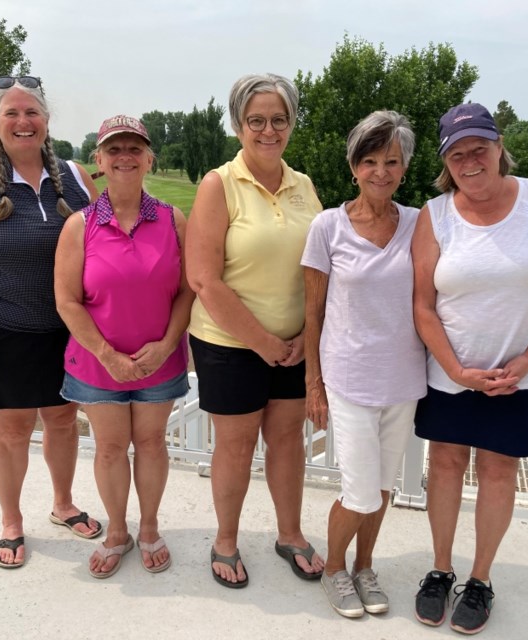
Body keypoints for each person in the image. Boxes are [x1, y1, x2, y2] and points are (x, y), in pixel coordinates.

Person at [411, 102, 528, 633]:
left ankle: (480, 580)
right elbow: (421, 304)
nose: (470, 162)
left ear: (498, 145)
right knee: (444, 466)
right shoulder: (434, 214)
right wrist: (456, 370)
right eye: (457, 154)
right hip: (450, 374)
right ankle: (440, 569)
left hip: (518, 376)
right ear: (446, 161)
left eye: (479, 149)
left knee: (498, 470)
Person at [0, 75, 102, 569]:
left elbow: (102, 247)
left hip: (65, 330)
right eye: (12, 113)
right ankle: (11, 520)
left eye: (32, 113)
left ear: (47, 122)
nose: (23, 122)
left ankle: (64, 504)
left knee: (64, 420)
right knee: (11, 430)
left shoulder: (74, 175)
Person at [186, 73, 325, 588]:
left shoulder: (304, 185)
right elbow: (203, 278)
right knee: (237, 445)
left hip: (294, 346)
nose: (269, 130)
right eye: (257, 121)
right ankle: (225, 540)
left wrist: (301, 340)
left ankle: (289, 533)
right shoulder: (218, 184)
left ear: (291, 124)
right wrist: (263, 342)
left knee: (288, 441)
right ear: (239, 126)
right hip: (230, 344)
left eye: (279, 120)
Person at [55, 115, 192, 579]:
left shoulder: (174, 220)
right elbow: (67, 302)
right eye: (114, 150)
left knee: (151, 443)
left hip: (160, 358)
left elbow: (188, 291)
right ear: (99, 160)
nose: (125, 157)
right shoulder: (79, 226)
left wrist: (167, 342)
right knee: (111, 448)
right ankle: (118, 531)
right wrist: (108, 355)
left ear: (149, 158)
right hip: (98, 365)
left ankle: (149, 528)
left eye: (135, 148)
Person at [302, 111, 426, 618]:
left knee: (381, 487)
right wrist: (313, 382)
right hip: (348, 379)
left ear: (404, 167)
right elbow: (312, 310)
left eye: (391, 161)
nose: (381, 171)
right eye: (370, 160)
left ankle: (364, 566)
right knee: (358, 491)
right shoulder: (327, 227)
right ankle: (335, 568)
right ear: (354, 166)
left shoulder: (421, 224)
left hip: (403, 379)